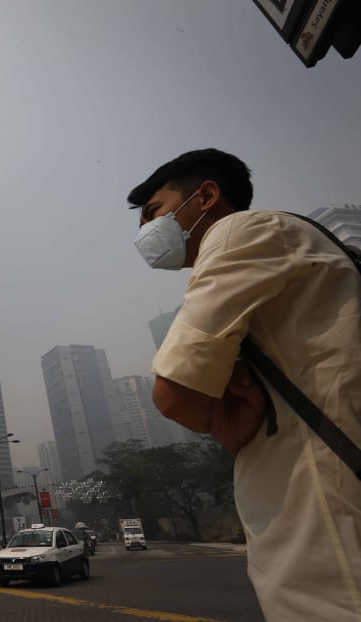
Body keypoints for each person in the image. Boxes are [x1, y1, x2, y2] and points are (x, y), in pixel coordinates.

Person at [127, 148, 361, 621]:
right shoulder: (285, 247)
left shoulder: (238, 233)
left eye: (153, 212)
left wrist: (220, 422)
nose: (146, 235)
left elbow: (173, 394)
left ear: (206, 195)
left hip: (327, 523)